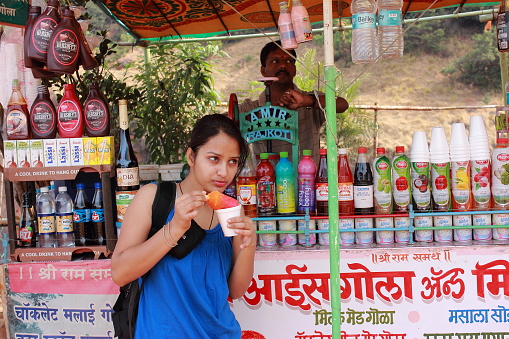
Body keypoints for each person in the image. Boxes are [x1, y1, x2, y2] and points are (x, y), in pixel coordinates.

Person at [111, 114, 256, 338]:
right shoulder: (153, 198)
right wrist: (175, 228)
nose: (223, 172)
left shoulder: (232, 211)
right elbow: (120, 273)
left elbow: (235, 290)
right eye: (214, 159)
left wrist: (249, 243)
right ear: (191, 156)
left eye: (232, 161)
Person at [239, 40, 349, 162]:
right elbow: (221, 123)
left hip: (306, 179)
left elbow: (342, 104)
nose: (283, 66)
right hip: (265, 179)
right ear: (263, 70)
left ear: (295, 70)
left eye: (289, 61)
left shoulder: (311, 100)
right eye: (275, 61)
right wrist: (258, 115)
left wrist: (307, 101)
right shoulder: (250, 108)